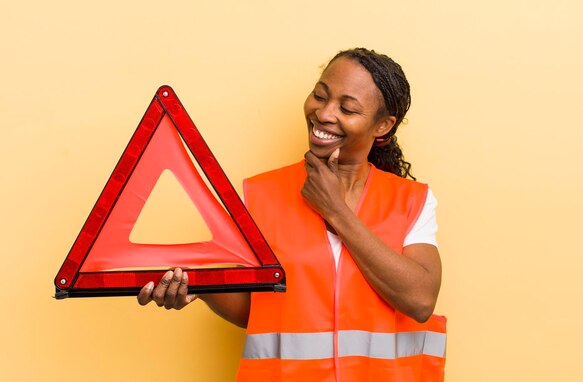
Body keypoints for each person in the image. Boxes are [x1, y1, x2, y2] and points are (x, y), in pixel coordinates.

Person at [138, 48, 446, 381]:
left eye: (347, 108)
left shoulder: (412, 201)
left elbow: (419, 300)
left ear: (383, 126)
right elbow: (255, 312)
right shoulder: (257, 196)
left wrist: (335, 211)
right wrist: (198, 286)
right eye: (319, 95)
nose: (324, 114)